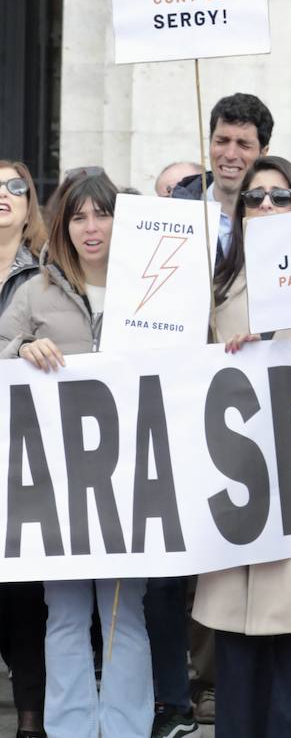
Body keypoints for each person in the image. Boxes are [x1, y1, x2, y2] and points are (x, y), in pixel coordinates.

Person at [190, 156, 291, 737]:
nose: (265, 207)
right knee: (240, 671)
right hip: (239, 499)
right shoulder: (212, 287)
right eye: (254, 198)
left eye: (280, 197)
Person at [0, 172, 156, 738]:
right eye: (78, 217)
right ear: (63, 224)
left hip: (132, 479)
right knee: (64, 613)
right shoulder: (35, 291)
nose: (91, 228)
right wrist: (21, 347)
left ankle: (126, 729)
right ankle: (68, 729)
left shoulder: (151, 289)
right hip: (56, 483)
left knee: (123, 613)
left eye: (103, 214)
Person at [0, 161, 47, 738]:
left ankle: (31, 718)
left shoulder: (45, 273)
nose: (3, 196)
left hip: (21, 449)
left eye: (15, 187)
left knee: (20, 588)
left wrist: (30, 345)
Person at [171, 92, 274, 255]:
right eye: (221, 142)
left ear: (263, 153)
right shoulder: (170, 213)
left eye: (244, 145)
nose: (230, 155)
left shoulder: (278, 218)